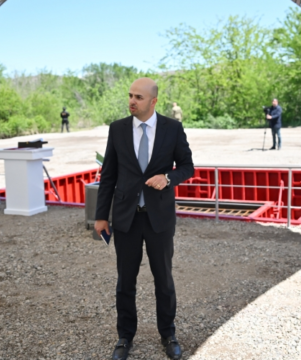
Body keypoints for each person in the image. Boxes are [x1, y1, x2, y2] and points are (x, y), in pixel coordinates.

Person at [95, 77, 194, 360]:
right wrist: (102, 216)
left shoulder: (172, 128)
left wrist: (168, 178)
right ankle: (125, 337)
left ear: (153, 101)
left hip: (159, 219)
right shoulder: (117, 129)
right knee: (125, 282)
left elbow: (187, 166)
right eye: (130, 95)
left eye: (138, 97)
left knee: (164, 280)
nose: (131, 101)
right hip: (126, 219)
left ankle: (168, 333)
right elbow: (108, 175)